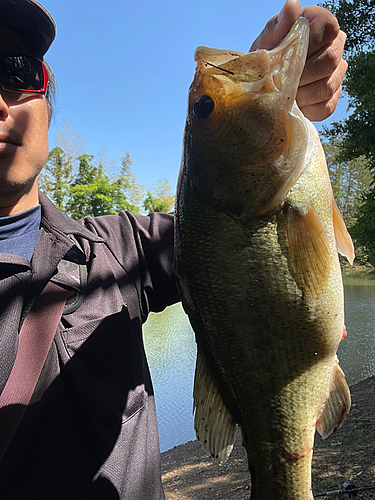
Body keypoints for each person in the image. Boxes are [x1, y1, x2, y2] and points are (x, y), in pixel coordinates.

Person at [0, 0, 347, 498]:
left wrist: (271, 70)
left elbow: (216, 230)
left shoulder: (116, 249)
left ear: (48, 110)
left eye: (17, 72)